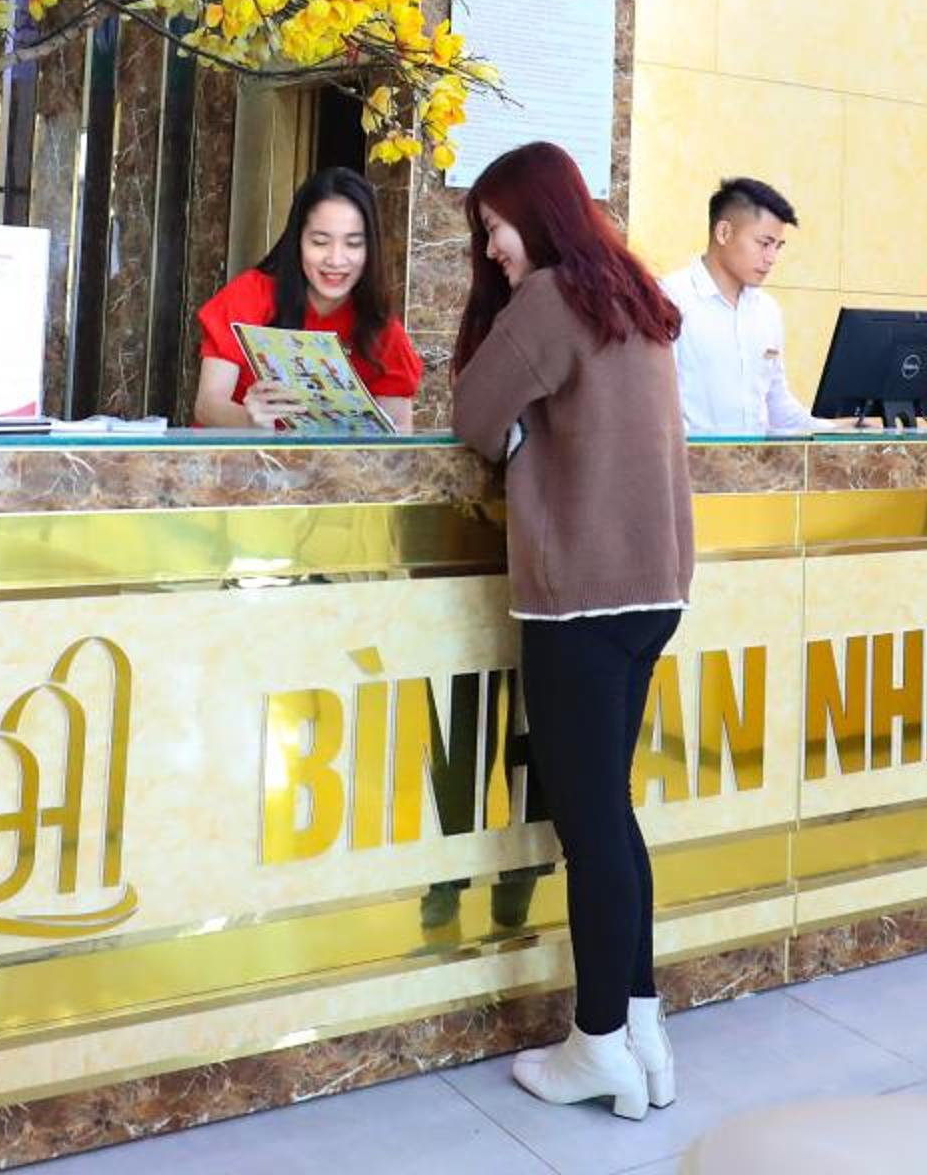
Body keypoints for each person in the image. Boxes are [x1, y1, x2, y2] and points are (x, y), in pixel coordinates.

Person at [451, 141, 694, 1122]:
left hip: (581, 599)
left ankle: (595, 1044)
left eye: (494, 228)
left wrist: (513, 431)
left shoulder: (550, 299)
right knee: (612, 815)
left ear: (535, 214)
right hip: (652, 592)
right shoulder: (629, 293)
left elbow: (473, 414)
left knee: (590, 828)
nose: (491, 249)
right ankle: (640, 1026)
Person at [194, 167, 422, 432]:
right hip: (239, 456)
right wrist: (250, 421)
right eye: (320, 242)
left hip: (331, 461)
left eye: (353, 244)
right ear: (298, 241)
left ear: (371, 248)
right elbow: (208, 405)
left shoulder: (384, 331)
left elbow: (398, 435)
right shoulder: (250, 294)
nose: (336, 260)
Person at [659, 176, 816, 436]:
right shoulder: (670, 298)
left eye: (778, 246)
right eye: (764, 244)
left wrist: (839, 429)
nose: (772, 258)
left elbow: (778, 409)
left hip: (755, 463)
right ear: (724, 233)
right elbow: (659, 409)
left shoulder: (767, 311)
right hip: (691, 460)